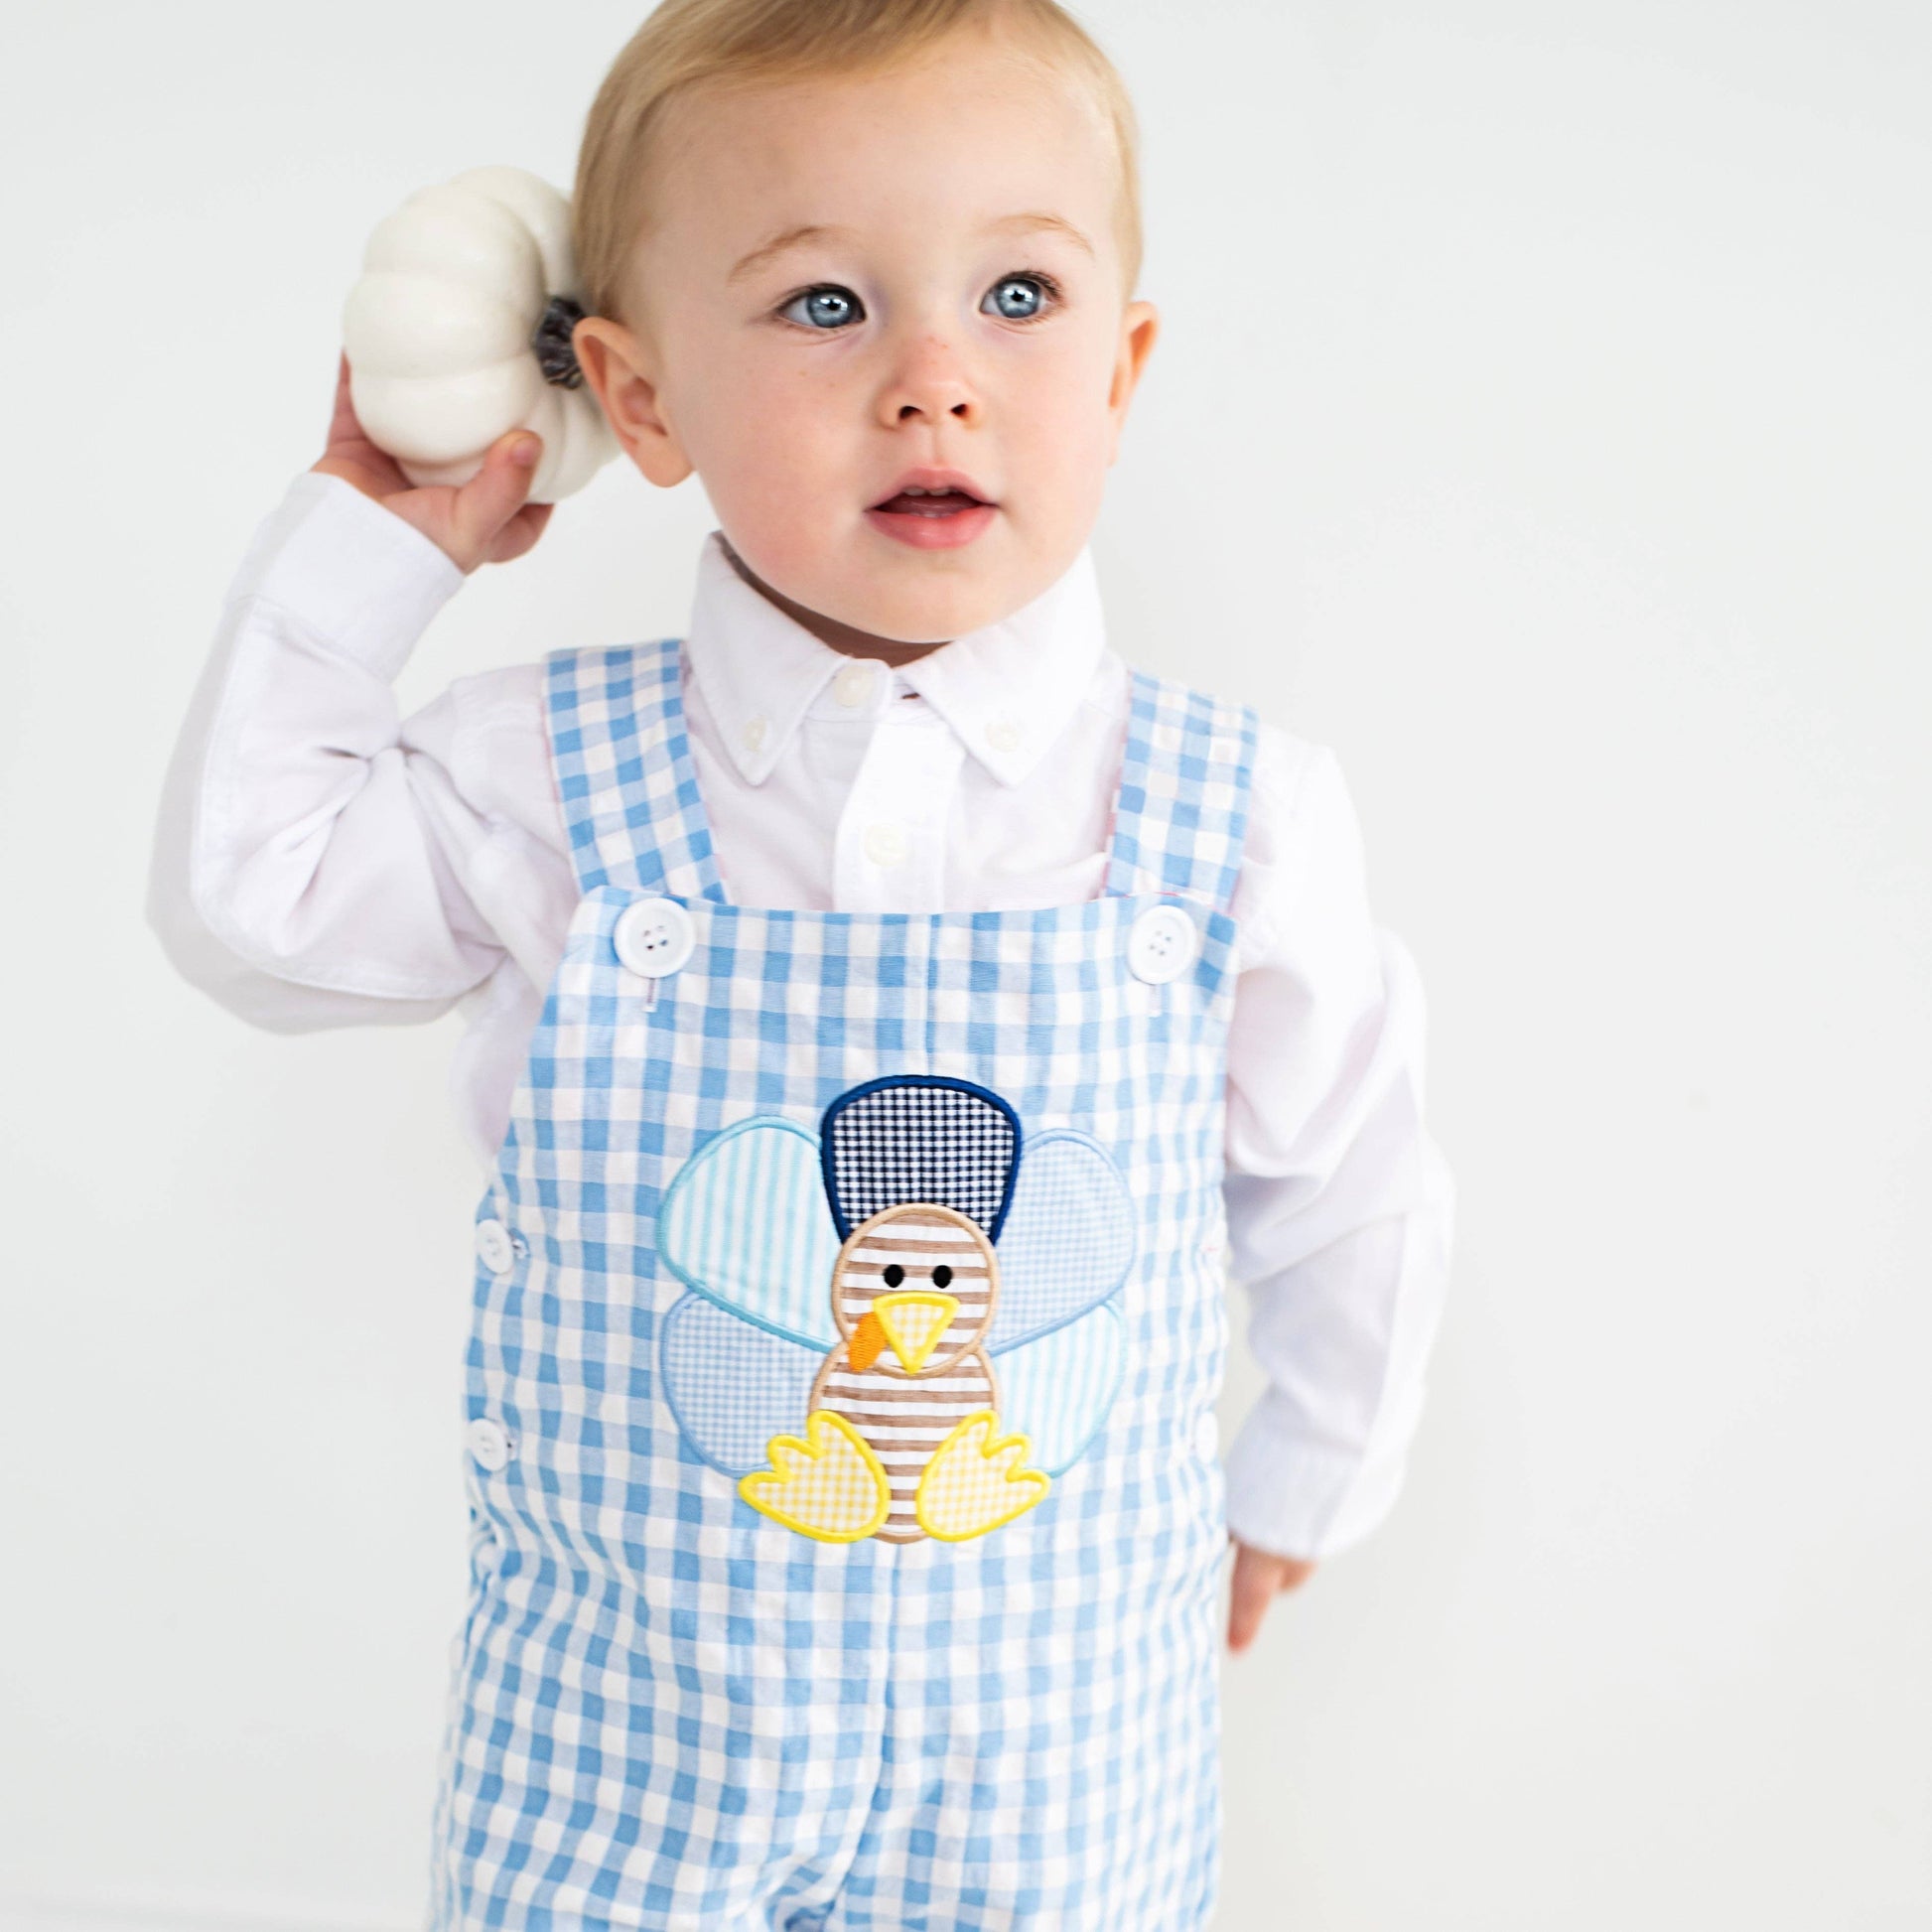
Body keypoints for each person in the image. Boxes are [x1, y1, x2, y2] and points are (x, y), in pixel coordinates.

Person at [149, 0, 1454, 1923]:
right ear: (641, 396)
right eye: (824, 305)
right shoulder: (550, 778)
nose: (935, 381)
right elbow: (252, 904)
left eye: (1018, 295)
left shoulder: (1230, 817)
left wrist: (1307, 1477)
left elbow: (1347, 1183)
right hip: (621, 1769)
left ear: (1121, 368)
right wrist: (378, 546)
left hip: (1054, 1782)